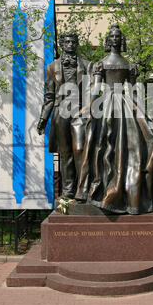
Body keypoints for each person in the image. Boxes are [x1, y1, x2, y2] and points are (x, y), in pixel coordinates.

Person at [75, 23, 153, 214]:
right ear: (108, 40)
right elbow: (95, 88)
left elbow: (132, 91)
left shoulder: (129, 65)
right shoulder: (101, 63)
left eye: (118, 36)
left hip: (124, 103)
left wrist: (140, 108)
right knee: (101, 145)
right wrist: (88, 106)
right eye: (112, 36)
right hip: (106, 105)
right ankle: (96, 190)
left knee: (147, 140)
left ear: (121, 40)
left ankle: (131, 194)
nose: (115, 39)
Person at [37, 32, 89, 198]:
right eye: (67, 42)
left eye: (73, 41)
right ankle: (68, 190)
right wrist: (43, 119)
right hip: (61, 112)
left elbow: (90, 92)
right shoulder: (52, 68)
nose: (70, 44)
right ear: (61, 44)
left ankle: (83, 188)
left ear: (76, 43)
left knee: (80, 149)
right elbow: (49, 96)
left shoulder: (87, 66)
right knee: (65, 153)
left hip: (80, 111)